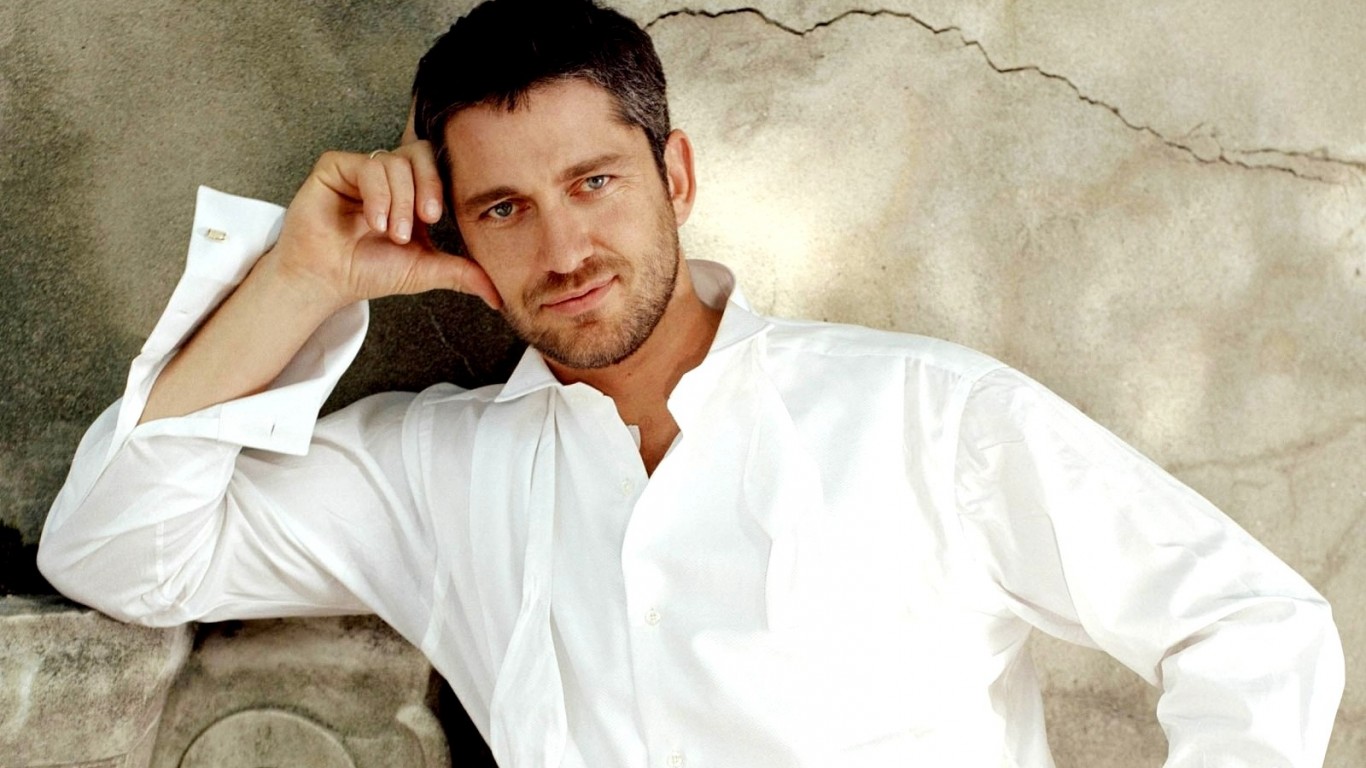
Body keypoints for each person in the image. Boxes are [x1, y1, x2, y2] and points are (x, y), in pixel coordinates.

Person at [38, 0, 1343, 765]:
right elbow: (116, 554)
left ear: (676, 177)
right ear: (453, 234)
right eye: (504, 207)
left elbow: (1247, 624)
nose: (562, 249)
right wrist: (302, 278)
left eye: (593, 182)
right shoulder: (437, 478)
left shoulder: (925, 418)